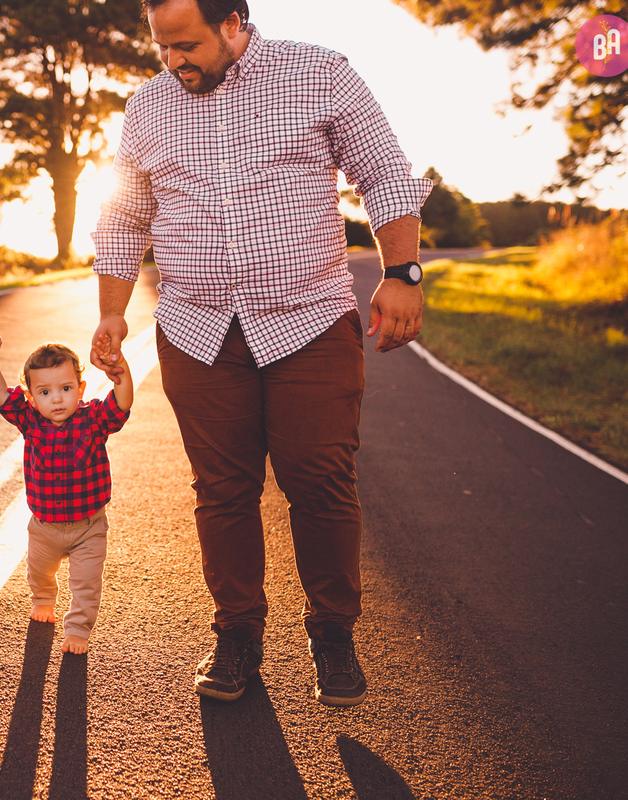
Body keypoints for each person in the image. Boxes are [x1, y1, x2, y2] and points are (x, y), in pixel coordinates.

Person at [90, 0, 432, 706]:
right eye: (161, 48)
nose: (173, 62)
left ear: (233, 23)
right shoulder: (148, 106)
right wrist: (112, 314)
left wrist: (401, 274)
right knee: (221, 490)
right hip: (197, 329)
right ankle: (237, 634)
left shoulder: (318, 72)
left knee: (320, 479)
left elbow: (384, 174)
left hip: (309, 321)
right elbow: (125, 215)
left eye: (186, 45)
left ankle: (332, 633)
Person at [0, 340, 133, 654]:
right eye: (45, 392)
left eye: (66, 388)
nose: (57, 398)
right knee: (39, 572)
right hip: (44, 527)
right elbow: (0, 395)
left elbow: (121, 404)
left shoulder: (93, 419)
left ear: (80, 388)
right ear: (32, 398)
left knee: (86, 583)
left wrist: (121, 372)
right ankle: (44, 598)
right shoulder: (30, 421)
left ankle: (78, 630)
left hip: (89, 527)